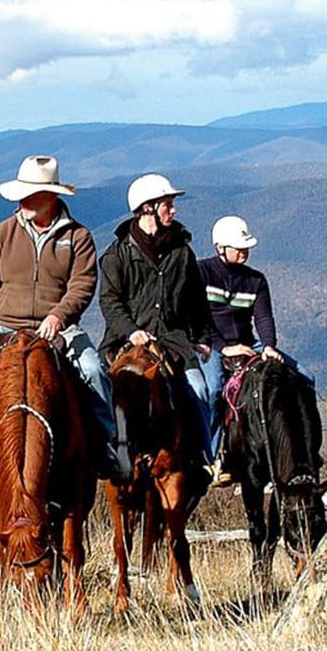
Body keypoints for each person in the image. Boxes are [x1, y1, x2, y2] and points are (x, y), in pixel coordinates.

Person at [0, 155, 124, 486]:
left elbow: (83, 285)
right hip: (4, 326)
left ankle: (102, 444)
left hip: (60, 329)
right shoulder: (2, 234)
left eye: (29, 193)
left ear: (50, 196)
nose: (22, 200)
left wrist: (58, 315)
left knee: (95, 372)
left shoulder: (79, 237)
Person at [98, 173, 219, 469]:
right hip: (124, 340)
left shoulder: (182, 253)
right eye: (167, 204)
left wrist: (202, 338)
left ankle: (203, 457)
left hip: (173, 341)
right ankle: (101, 454)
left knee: (199, 390)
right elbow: (110, 301)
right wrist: (131, 331)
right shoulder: (116, 256)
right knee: (98, 388)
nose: (174, 210)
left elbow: (196, 301)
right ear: (147, 208)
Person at [196, 215, 299, 478]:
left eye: (245, 247)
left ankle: (300, 450)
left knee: (303, 377)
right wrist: (223, 348)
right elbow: (196, 318)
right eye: (238, 247)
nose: (244, 251)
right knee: (214, 389)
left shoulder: (256, 280)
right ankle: (207, 456)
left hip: (248, 341)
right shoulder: (200, 273)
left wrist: (268, 345)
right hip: (210, 344)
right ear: (220, 247)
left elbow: (263, 317)